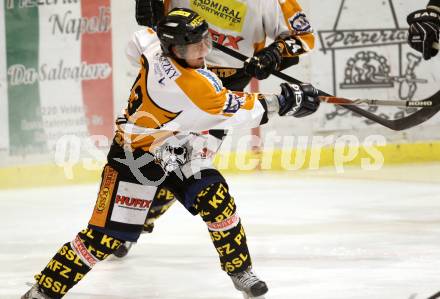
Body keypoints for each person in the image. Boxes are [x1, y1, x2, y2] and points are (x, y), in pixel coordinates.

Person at [22, 8, 320, 299]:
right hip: (135, 157)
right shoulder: (191, 87)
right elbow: (240, 110)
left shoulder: (155, 48)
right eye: (194, 47)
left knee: (216, 199)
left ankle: (240, 271)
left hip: (177, 146)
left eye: (205, 42)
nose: (203, 52)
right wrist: (286, 101)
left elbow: (139, 40)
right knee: (104, 239)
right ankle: (44, 290)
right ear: (173, 49)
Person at [114, 0, 315, 258]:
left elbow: (304, 38)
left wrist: (274, 53)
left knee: (187, 165)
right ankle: (122, 220)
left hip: (222, 88)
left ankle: (140, 220)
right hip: (172, 75)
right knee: (144, 154)